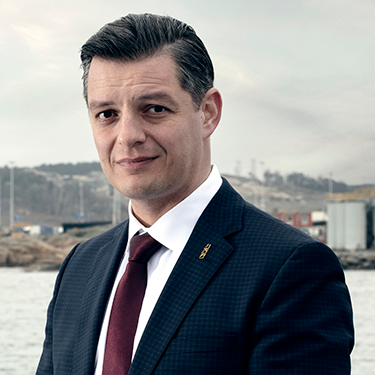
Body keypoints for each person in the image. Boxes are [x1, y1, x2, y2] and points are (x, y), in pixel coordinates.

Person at [36, 13, 354, 375]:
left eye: (154, 109)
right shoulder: (79, 267)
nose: (127, 136)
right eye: (107, 114)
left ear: (207, 112)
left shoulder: (290, 269)